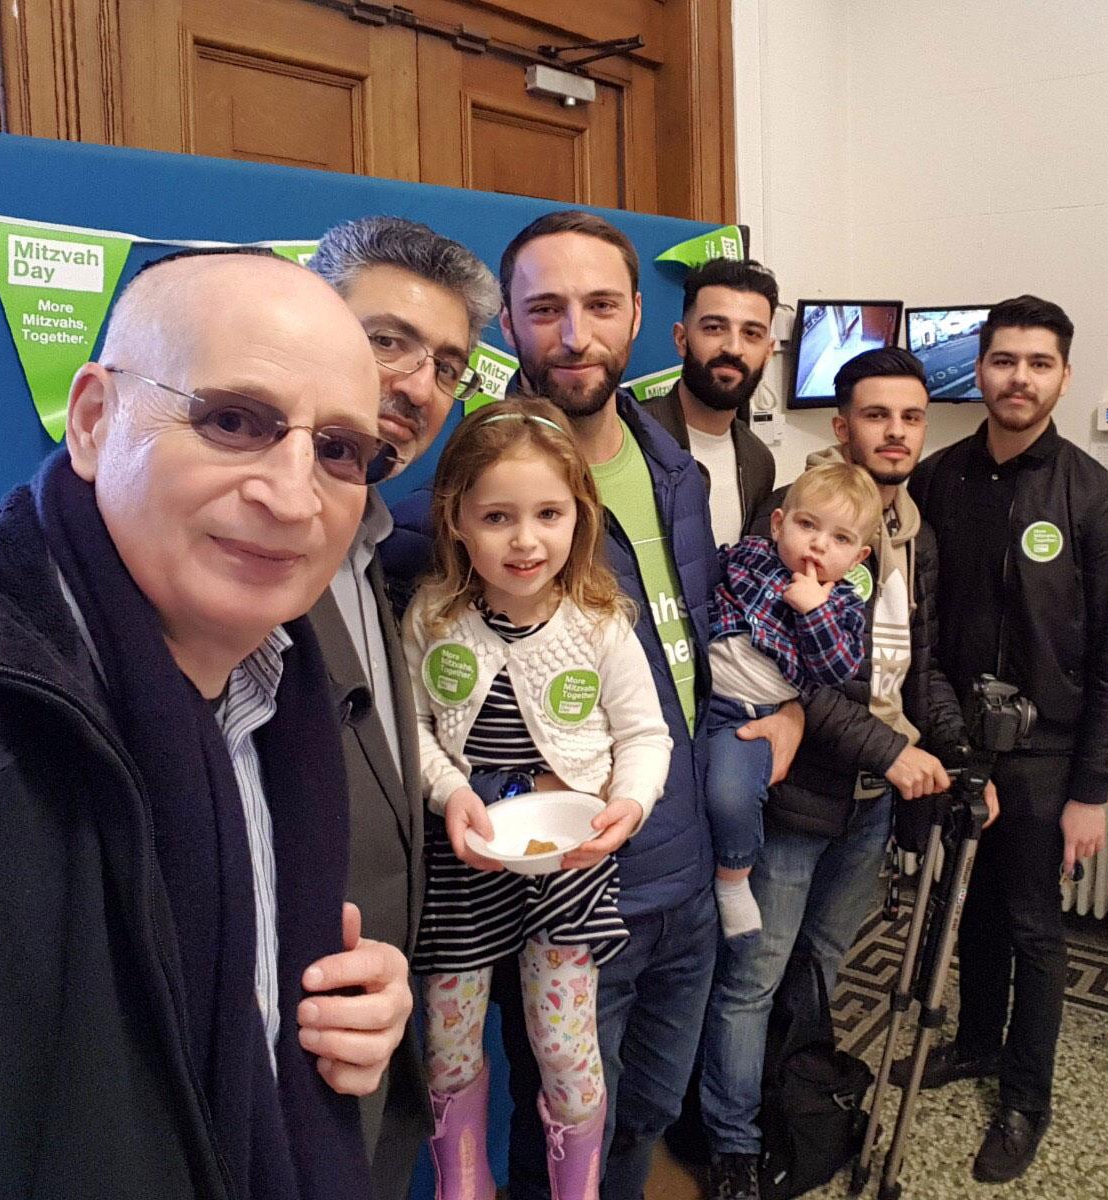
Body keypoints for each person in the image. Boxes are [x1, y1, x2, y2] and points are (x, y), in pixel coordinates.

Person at [388, 209, 804, 1200]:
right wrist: (503, 789)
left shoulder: (676, 471)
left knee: (651, 1113)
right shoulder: (462, 508)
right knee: (570, 1122)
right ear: (513, 328)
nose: (574, 333)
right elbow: (422, 713)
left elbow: (689, 655)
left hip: (692, 867)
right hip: (571, 886)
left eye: (599, 305)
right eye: (545, 309)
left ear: (636, 319)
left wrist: (782, 707)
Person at [0, 249, 415, 1199]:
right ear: (95, 420)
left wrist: (316, 1008)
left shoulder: (276, 689)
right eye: (232, 422)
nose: (294, 495)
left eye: (339, 450)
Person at [701, 346, 987, 1200]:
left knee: (821, 967)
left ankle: (793, 1108)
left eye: (909, 417)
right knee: (753, 975)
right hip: (801, 795)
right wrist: (894, 753)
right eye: (875, 415)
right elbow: (800, 687)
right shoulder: (785, 527)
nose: (894, 432)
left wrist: (955, 749)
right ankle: (733, 1144)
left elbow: (913, 668)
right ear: (841, 426)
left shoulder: (911, 532)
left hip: (868, 807)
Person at [404, 399, 672, 1200]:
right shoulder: (432, 617)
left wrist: (629, 805)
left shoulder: (599, 623)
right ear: (456, 520)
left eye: (548, 514)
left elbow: (646, 736)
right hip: (465, 869)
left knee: (566, 1049)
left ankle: (577, 1189)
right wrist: (449, 789)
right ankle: (462, 1181)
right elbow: (411, 728)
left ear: (579, 516)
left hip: (571, 869)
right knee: (448, 1048)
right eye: (497, 517)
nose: (526, 541)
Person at [905, 295, 1108, 1184]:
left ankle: (1025, 1097)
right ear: (982, 369)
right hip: (954, 743)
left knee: (1035, 926)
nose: (1019, 378)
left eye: (1038, 363)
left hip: (1048, 758)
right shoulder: (939, 479)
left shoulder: (1095, 497)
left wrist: (1093, 791)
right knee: (967, 909)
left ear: (1063, 376)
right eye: (1004, 360)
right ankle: (972, 1042)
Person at [308, 214, 503, 1198]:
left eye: (447, 364)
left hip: (370, 1029)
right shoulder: (249, 553)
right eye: (386, 340)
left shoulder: (375, 545)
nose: (418, 386)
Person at [706, 459, 881, 938]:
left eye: (840, 539)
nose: (819, 545)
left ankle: (734, 879)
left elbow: (834, 671)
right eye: (808, 525)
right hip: (698, 698)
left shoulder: (842, 604)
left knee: (729, 796)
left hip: (749, 716)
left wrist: (814, 613)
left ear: (858, 557)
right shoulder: (747, 556)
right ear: (780, 523)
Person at [642, 257, 778, 545]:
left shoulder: (759, 461)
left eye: (751, 334)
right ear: (681, 339)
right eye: (715, 328)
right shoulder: (633, 438)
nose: (733, 348)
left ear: (768, 352)